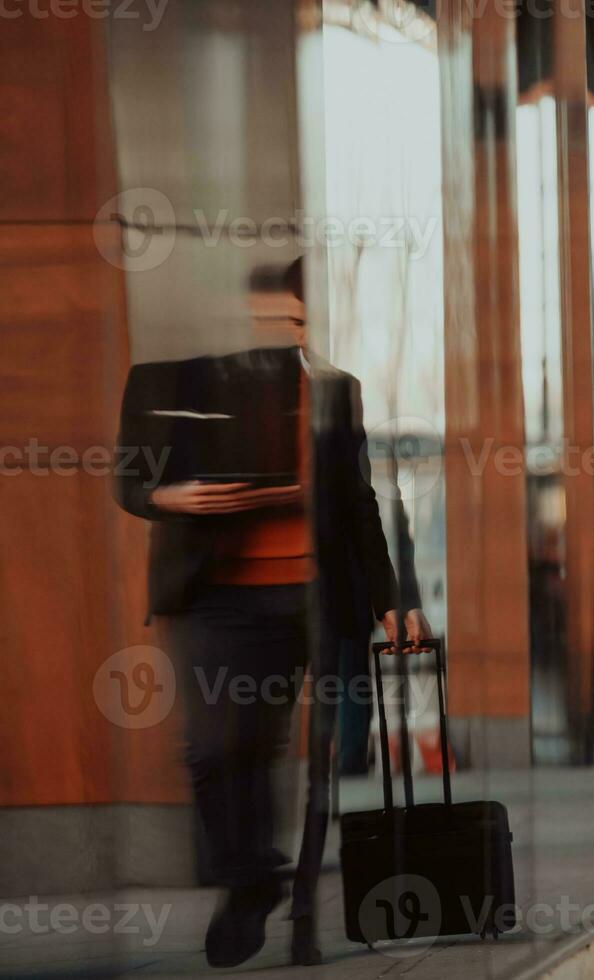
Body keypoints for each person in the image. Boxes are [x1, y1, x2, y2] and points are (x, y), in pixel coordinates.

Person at [112, 258, 429, 968]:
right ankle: (251, 876)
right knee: (209, 747)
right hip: (214, 593)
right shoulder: (197, 381)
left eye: (288, 316)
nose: (274, 327)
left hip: (300, 597)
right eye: (264, 313)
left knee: (261, 743)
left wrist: (390, 601)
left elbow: (358, 504)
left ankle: (283, 900)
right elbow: (130, 477)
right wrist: (171, 498)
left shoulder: (333, 392)